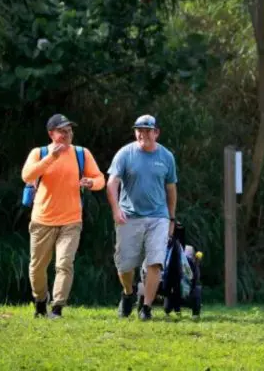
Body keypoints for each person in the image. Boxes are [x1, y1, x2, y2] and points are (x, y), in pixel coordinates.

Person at [21, 114, 105, 318]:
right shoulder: (39, 153)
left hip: (71, 221)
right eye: (62, 131)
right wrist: (52, 157)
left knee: (64, 264)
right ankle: (41, 301)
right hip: (42, 220)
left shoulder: (81, 153)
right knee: (37, 268)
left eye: (70, 130)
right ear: (51, 134)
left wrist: (91, 183)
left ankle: (57, 308)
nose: (68, 135)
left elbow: (100, 178)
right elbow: (27, 176)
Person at [106, 114, 178, 321]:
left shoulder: (166, 157)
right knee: (125, 265)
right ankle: (128, 293)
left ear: (156, 133)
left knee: (156, 262)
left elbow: (171, 189)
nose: (142, 134)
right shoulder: (125, 154)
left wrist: (171, 218)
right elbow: (112, 183)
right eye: (139, 130)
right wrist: (116, 209)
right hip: (129, 216)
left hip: (159, 217)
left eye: (147, 130)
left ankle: (145, 307)